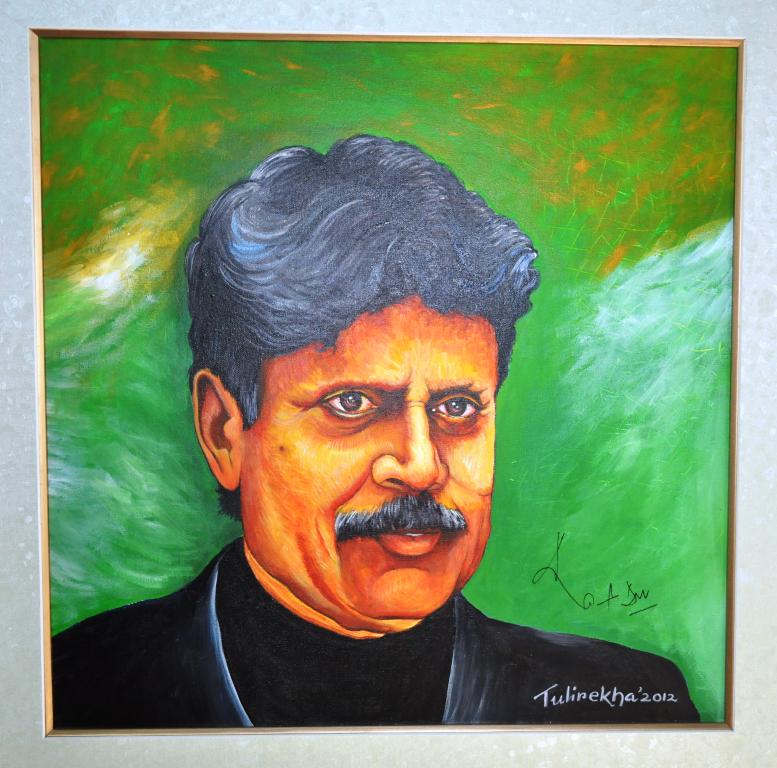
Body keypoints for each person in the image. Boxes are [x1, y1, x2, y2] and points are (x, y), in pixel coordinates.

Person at [52, 135, 699, 729]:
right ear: (223, 431)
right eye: (353, 404)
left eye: (457, 410)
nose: (420, 466)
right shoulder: (67, 696)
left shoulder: (624, 706)